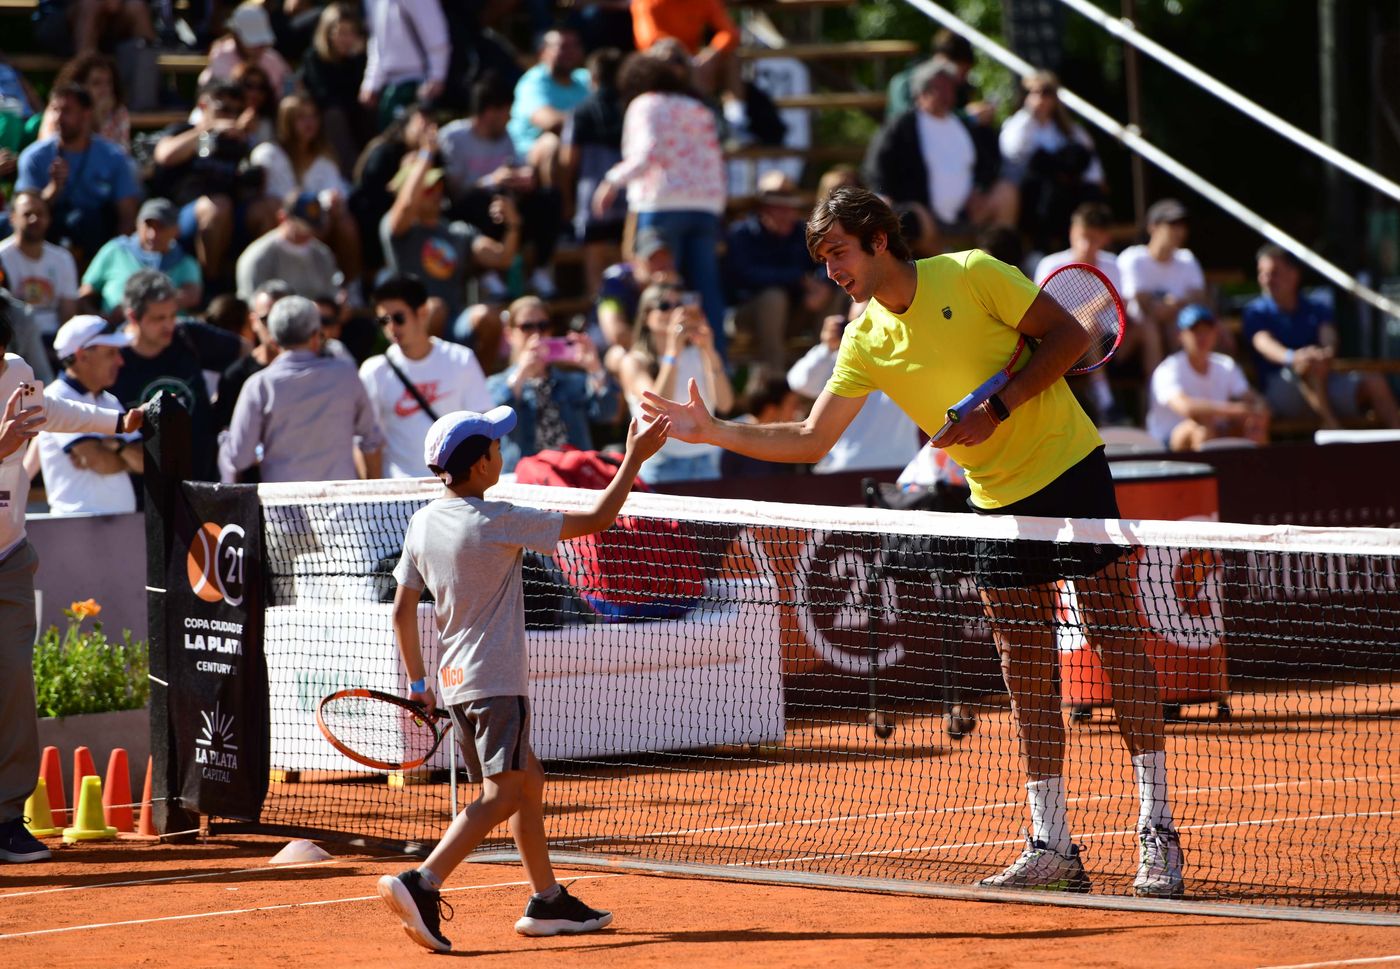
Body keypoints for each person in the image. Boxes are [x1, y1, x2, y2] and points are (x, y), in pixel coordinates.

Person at [641, 187, 1183, 897]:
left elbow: (1071, 336)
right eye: (822, 258)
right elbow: (811, 438)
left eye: (837, 252)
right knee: (1021, 658)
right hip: (991, 498)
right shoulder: (864, 338)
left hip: (1069, 469)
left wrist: (1000, 404)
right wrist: (714, 430)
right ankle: (1051, 841)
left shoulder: (972, 271)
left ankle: (1157, 830)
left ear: (878, 240)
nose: (830, 270)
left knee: (1114, 634)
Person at [376, 403, 669, 952]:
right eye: (495, 448)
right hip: (497, 681)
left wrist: (417, 686)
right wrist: (631, 458)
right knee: (504, 791)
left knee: (527, 783)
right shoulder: (498, 519)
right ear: (481, 466)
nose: (502, 453)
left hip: (456, 682)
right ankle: (424, 880)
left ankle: (547, 901)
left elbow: (400, 613)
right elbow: (599, 520)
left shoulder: (420, 523)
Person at [0, 301, 143, 865]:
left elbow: (51, 410)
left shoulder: (16, 372)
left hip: (10, 556)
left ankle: (8, 819)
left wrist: (117, 422)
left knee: (14, 684)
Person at [593, 53, 728, 355]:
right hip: (706, 207)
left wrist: (611, 181)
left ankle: (659, 365)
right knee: (706, 294)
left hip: (661, 203)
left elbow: (645, 152)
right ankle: (717, 367)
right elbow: (717, 159)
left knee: (661, 293)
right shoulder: (698, 107)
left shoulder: (645, 104)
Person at [222, 296, 385, 483]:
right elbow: (372, 441)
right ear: (316, 337)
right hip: (342, 507)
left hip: (282, 507)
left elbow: (239, 459)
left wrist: (225, 440)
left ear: (274, 341)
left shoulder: (258, 386)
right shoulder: (346, 374)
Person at [863, 57, 1015, 255]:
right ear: (922, 91)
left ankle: (997, 263)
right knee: (911, 216)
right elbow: (876, 166)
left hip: (968, 212)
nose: (946, 93)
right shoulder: (902, 125)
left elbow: (988, 163)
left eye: (949, 87)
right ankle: (946, 269)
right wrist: (884, 195)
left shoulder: (964, 123)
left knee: (1006, 192)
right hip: (926, 216)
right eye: (939, 88)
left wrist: (979, 188)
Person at [1244, 245, 1400, 430]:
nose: (1266, 280)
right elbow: (1263, 342)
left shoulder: (1316, 308)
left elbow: (1329, 339)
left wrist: (1325, 353)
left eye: (1273, 273)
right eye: (1261, 273)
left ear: (1294, 275)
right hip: (1281, 392)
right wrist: (1294, 358)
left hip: (1325, 382)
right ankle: (1334, 432)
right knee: (1306, 366)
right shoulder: (1256, 311)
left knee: (1373, 379)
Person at [109, 269, 244, 481]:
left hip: (203, 481)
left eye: (173, 315)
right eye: (159, 318)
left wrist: (225, 402)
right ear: (133, 317)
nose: (169, 325)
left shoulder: (188, 335)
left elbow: (246, 352)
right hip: (146, 493)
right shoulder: (113, 357)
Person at [439, 78, 564, 300]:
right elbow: (454, 191)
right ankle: (486, 275)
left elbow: (515, 167)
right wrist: (491, 180)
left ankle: (540, 270)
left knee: (549, 198)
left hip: (505, 206)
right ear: (489, 112)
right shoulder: (452, 137)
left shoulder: (506, 136)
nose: (510, 119)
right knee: (481, 200)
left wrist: (523, 180)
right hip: (468, 212)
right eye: (506, 112)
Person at [360, 275, 494, 478]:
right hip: (398, 497)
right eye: (383, 320)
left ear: (422, 313)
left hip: (453, 490)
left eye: (398, 318)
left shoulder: (461, 359)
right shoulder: (373, 371)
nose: (391, 327)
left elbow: (482, 427)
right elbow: (368, 441)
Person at [381, 144, 522, 333]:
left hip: (454, 322)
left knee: (487, 317)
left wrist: (513, 224)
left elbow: (502, 258)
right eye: (428, 188)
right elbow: (406, 206)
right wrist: (426, 154)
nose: (438, 192)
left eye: (439, 185)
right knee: (435, 308)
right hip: (409, 324)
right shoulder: (396, 228)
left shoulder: (458, 231)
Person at [151, 81, 279, 283]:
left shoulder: (240, 142)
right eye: (224, 109)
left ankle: (261, 282)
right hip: (184, 216)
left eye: (237, 111)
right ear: (203, 106)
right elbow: (165, 155)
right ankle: (210, 285)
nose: (230, 116)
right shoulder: (185, 130)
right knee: (217, 206)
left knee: (269, 208)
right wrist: (208, 129)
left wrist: (247, 141)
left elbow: (252, 184)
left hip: (230, 216)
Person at [618, 282, 732, 483]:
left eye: (678, 305)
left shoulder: (698, 353)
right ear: (646, 317)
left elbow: (725, 403)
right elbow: (657, 404)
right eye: (664, 306)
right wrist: (672, 351)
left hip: (705, 459)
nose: (673, 312)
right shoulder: (633, 361)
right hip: (661, 462)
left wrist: (710, 350)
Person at [487, 296, 618, 472]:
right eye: (527, 327)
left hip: (573, 476)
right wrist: (522, 372)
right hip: (524, 480)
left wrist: (595, 368)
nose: (536, 334)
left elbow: (607, 414)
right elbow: (495, 424)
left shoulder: (573, 381)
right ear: (510, 334)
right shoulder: (495, 384)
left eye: (543, 326)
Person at [26, 314, 142, 514]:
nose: (120, 361)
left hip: (118, 528)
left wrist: (113, 444)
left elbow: (143, 462)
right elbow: (98, 462)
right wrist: (123, 452)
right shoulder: (56, 397)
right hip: (77, 530)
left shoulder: (110, 401)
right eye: (111, 353)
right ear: (82, 356)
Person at [15, 84, 140, 263]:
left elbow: (127, 214)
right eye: (55, 110)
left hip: (95, 234)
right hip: (47, 230)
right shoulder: (35, 156)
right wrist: (53, 189)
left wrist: (116, 259)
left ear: (86, 114)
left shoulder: (113, 157)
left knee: (87, 219)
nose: (59, 117)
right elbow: (25, 210)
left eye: (66, 111)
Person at [725, 171, 837, 370]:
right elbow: (744, 276)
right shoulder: (741, 234)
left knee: (833, 293)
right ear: (763, 209)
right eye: (779, 208)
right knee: (773, 298)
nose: (787, 214)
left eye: (790, 208)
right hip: (748, 316)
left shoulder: (801, 232)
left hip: (795, 312)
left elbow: (823, 261)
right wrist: (797, 279)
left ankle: (826, 371)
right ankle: (775, 380)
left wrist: (823, 286)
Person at [786, 312, 922, 475]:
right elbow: (799, 382)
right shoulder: (837, 359)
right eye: (860, 317)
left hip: (898, 468)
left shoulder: (909, 354)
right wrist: (827, 347)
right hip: (844, 469)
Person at [1034, 202, 1131, 423]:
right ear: (1071, 233)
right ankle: (1105, 400)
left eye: (1094, 238)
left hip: (1113, 340)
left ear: (1105, 238)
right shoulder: (1049, 265)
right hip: (1060, 341)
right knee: (1088, 325)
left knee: (1145, 327)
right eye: (1082, 236)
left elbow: (1122, 307)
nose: (1086, 245)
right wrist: (1095, 307)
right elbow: (1040, 315)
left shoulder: (1114, 265)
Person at [249, 94, 360, 281]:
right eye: (301, 117)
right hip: (282, 221)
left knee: (345, 223)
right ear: (287, 121)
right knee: (271, 209)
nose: (309, 123)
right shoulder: (268, 154)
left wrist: (332, 201)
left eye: (313, 116)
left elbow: (336, 192)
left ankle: (350, 287)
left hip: (319, 221)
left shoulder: (325, 159)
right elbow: (277, 199)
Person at [998, 71, 1106, 255]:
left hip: (1065, 194)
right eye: (1034, 92)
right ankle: (1043, 248)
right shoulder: (1019, 124)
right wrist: (1029, 114)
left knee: (1087, 193)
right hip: (1033, 195)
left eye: (1046, 92)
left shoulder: (1070, 130)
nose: (1040, 98)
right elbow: (1011, 149)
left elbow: (1092, 168)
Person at [1147, 305, 1269, 450]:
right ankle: (1205, 473)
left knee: (1254, 426)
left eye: (1207, 330)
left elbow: (1252, 398)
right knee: (1201, 430)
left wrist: (1258, 411)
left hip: (1217, 431)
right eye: (1195, 331)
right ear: (1180, 335)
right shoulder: (1168, 369)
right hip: (1168, 443)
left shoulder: (1225, 365)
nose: (1202, 336)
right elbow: (1186, 407)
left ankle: (1254, 470)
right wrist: (1236, 410)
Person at [80, 198, 203, 316]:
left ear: (176, 230)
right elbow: (85, 293)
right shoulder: (115, 250)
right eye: (148, 226)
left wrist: (140, 308)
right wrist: (100, 320)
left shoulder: (184, 261)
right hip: (114, 332)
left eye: (161, 227)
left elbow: (192, 295)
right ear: (137, 224)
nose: (153, 235)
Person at [1116, 198, 1206, 359]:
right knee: (1151, 327)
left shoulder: (1187, 258)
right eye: (1172, 225)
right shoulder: (1133, 257)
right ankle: (1157, 383)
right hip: (1131, 331)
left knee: (1196, 327)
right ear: (1153, 227)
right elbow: (1144, 305)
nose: (1179, 231)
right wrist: (1175, 305)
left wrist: (1174, 306)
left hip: (1175, 324)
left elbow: (1199, 297)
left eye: (1182, 226)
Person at [507, 29, 590, 191]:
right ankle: (559, 210)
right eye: (563, 47)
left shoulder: (584, 78)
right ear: (543, 52)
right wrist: (590, 123)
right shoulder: (533, 82)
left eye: (575, 46)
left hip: (576, 147)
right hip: (526, 156)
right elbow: (550, 122)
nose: (570, 52)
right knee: (552, 143)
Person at [298, 3, 370, 177]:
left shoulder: (358, 59)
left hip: (353, 113)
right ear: (328, 33)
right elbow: (325, 95)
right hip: (326, 115)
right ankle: (351, 171)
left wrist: (358, 58)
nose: (348, 39)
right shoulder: (314, 58)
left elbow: (360, 90)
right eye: (342, 32)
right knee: (335, 115)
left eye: (352, 33)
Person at [0, 192, 79, 349]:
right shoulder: (1, 256)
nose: (34, 219)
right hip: (16, 339)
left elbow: (68, 312)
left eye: (40, 214)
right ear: (12, 218)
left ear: (49, 218)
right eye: (27, 214)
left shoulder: (63, 258)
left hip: (55, 339)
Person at [358, 0, 450, 130]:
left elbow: (436, 34)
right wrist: (372, 82)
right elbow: (377, 40)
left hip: (420, 82)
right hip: (389, 85)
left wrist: (437, 75)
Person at [214, 280, 290, 432]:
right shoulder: (235, 377)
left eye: (282, 319)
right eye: (267, 319)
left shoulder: (317, 369)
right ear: (253, 322)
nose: (276, 328)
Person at [235, 192, 340, 301]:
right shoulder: (258, 257)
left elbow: (331, 296)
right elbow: (251, 305)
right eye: (301, 228)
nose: (307, 234)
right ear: (283, 218)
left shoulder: (322, 254)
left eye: (312, 229)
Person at [595, 226, 675, 356]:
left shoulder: (674, 282)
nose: (661, 265)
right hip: (606, 351)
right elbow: (616, 334)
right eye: (653, 258)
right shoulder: (615, 280)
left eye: (665, 257)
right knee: (619, 356)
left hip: (655, 352)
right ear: (635, 260)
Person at [38, 53, 131, 152]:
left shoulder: (118, 112)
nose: (105, 90)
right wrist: (95, 122)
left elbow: (122, 155)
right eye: (96, 83)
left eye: (108, 83)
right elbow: (48, 150)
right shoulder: (60, 109)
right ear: (79, 86)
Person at [198, 2, 293, 96]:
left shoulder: (273, 59)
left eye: (262, 43)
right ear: (236, 36)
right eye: (254, 43)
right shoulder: (221, 55)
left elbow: (289, 86)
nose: (259, 48)